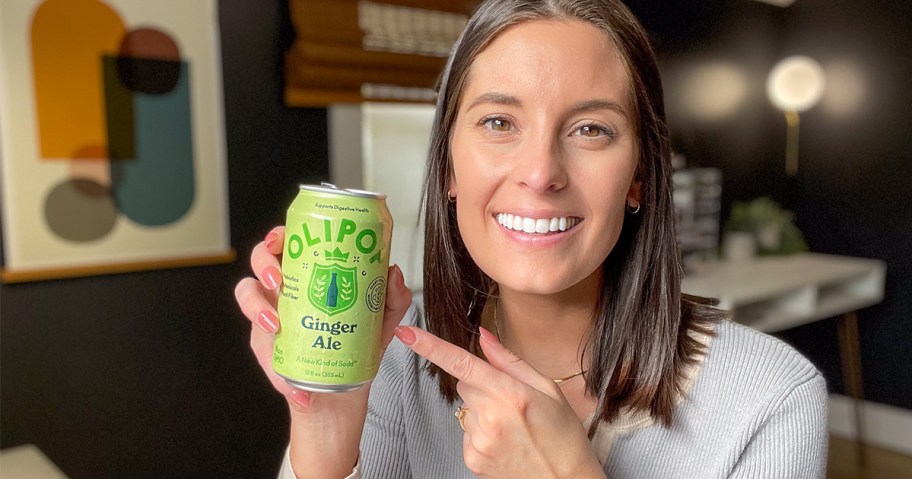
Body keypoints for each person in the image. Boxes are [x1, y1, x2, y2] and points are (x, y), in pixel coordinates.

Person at [235, 0, 828, 477]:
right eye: (499, 122)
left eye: (591, 129)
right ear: (447, 168)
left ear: (639, 178)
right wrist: (325, 433)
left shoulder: (772, 398)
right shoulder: (391, 359)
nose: (541, 172)